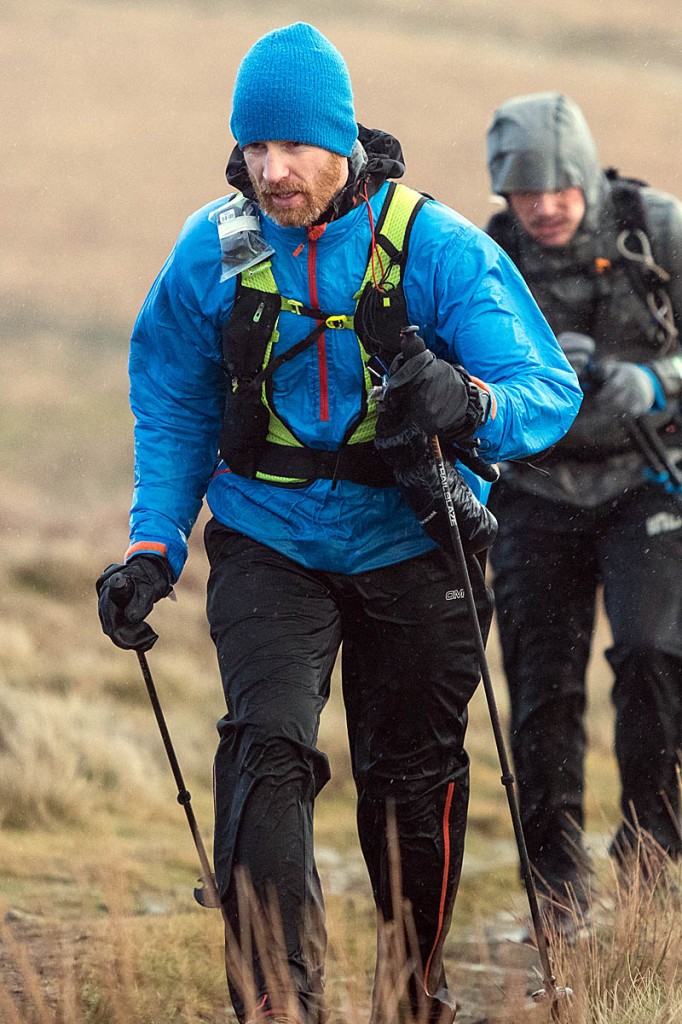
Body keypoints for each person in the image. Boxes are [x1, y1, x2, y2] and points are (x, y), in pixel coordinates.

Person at [96, 29, 580, 1024]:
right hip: (266, 535)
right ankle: (281, 1003)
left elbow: (547, 388)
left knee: (410, 781)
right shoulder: (217, 246)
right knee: (265, 750)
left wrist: (471, 403)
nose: (271, 171)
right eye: (254, 148)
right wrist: (152, 546)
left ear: (340, 142)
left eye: (293, 147)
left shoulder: (434, 244)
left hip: (415, 537)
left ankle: (411, 996)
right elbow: (173, 400)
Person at [484, 91, 682, 936]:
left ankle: (653, 867)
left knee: (652, 654)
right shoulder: (488, 254)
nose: (546, 206)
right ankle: (557, 890)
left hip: (648, 478)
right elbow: (458, 376)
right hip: (533, 490)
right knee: (543, 688)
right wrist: (527, 374)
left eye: (561, 187)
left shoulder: (655, 230)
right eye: (527, 192)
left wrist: (659, 379)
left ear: (589, 178)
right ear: (505, 193)